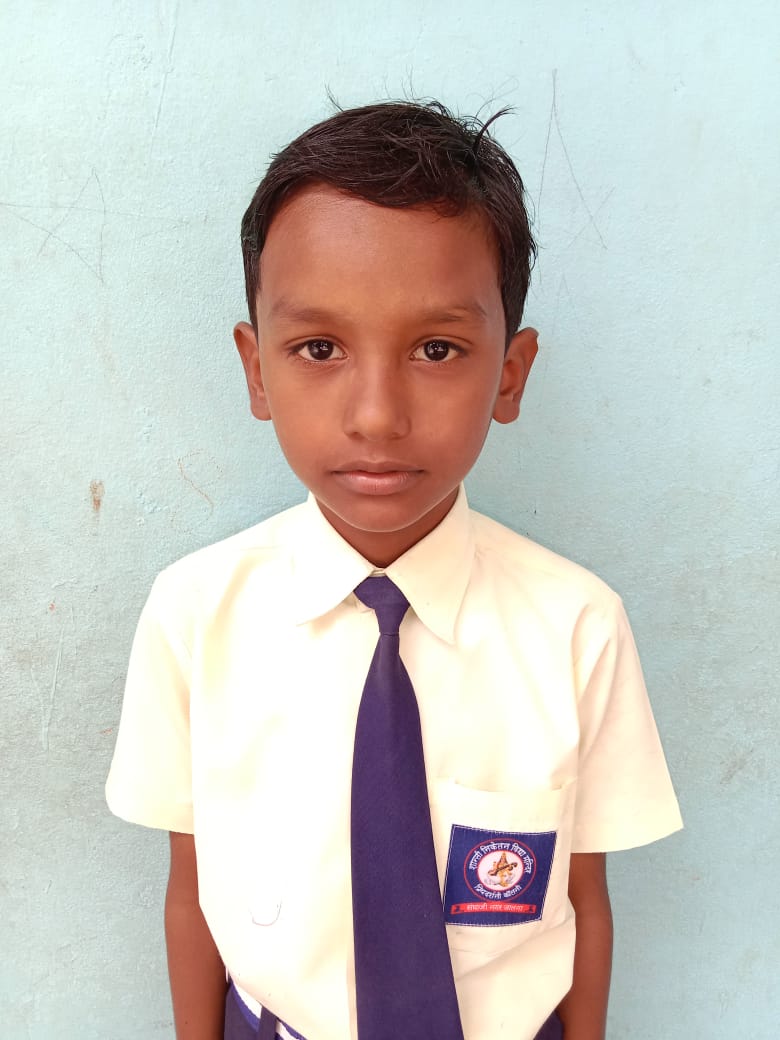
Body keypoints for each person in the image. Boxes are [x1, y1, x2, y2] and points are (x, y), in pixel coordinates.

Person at [106, 100, 682, 1040]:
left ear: (510, 374)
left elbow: (585, 901)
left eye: (437, 349)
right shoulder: (195, 616)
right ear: (256, 369)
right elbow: (190, 891)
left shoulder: (577, 625)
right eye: (319, 348)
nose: (377, 414)